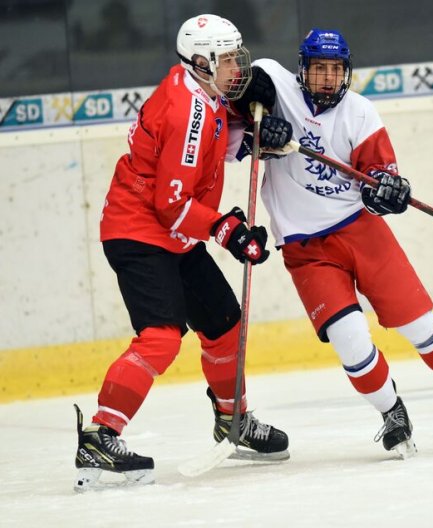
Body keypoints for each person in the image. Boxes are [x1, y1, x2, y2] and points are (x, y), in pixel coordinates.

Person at [246, 29, 433, 458]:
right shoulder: (276, 84)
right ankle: (391, 410)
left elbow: (380, 175)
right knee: (349, 340)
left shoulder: (360, 114)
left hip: (360, 230)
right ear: (302, 69)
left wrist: (387, 190)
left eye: (335, 70)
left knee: (420, 325)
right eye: (319, 69)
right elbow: (247, 83)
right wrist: (254, 115)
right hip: (306, 248)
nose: (328, 78)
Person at [73, 14, 294, 492]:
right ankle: (100, 434)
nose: (238, 67)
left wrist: (257, 130)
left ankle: (232, 422)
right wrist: (229, 232)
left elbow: (217, 145)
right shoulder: (185, 109)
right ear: (201, 61)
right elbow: (171, 203)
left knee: (225, 327)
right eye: (230, 60)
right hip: (139, 231)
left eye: (238, 57)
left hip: (174, 232)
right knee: (160, 337)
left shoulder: (205, 94)